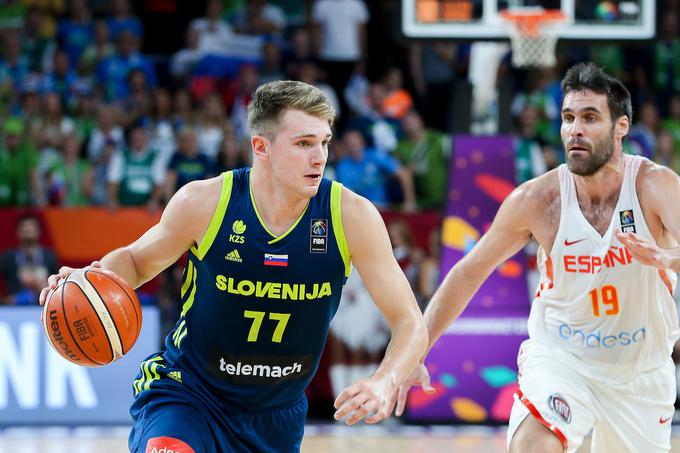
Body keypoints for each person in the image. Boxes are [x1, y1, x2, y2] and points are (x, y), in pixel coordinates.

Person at [39, 80, 427, 453]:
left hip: (276, 417)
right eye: (304, 143)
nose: (319, 156)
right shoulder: (205, 202)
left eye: (324, 142)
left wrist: (385, 380)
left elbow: (410, 320)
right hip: (189, 395)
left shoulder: (351, 216)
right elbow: (137, 261)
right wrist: (93, 280)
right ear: (262, 147)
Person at [397, 62, 680, 453]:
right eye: (568, 118)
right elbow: (468, 272)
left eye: (590, 117)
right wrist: (415, 351)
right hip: (562, 360)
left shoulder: (654, 184)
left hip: (640, 373)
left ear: (621, 127)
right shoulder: (537, 199)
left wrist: (668, 259)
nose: (575, 129)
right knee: (534, 446)